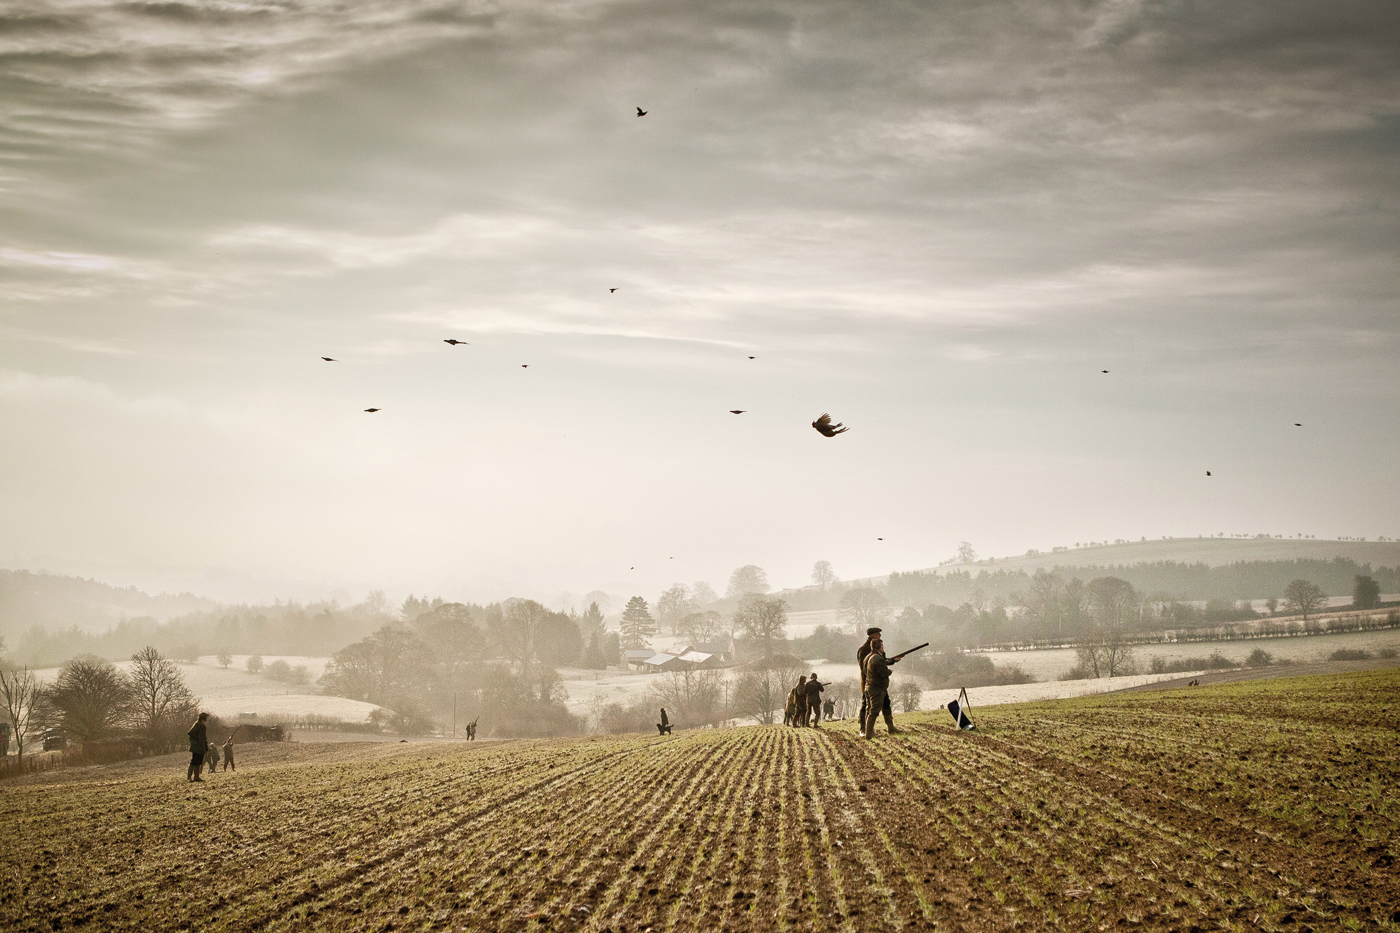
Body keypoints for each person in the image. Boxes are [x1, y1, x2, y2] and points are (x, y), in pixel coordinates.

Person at [856, 627, 899, 735]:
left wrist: (893, 660)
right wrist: (874, 678)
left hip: (879, 683)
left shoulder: (877, 647)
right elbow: (864, 668)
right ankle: (864, 729)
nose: (880, 635)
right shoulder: (863, 649)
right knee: (867, 706)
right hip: (871, 682)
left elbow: (881, 662)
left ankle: (891, 727)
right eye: (878, 634)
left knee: (885, 703)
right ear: (873, 635)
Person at [187, 712, 210, 782]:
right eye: (206, 717)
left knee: (199, 762)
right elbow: (190, 733)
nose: (207, 719)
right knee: (194, 761)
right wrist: (196, 741)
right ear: (203, 718)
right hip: (196, 747)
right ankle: (189, 777)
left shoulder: (203, 726)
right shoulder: (197, 724)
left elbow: (204, 738)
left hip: (201, 747)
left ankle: (196, 777)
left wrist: (205, 747)